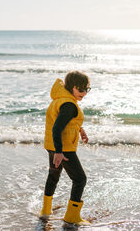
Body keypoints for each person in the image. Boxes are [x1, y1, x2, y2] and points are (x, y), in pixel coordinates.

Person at [39, 71, 91, 225]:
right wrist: (60, 152)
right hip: (64, 148)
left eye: (87, 89)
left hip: (52, 145)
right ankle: (72, 216)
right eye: (81, 89)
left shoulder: (60, 100)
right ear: (72, 87)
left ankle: (45, 211)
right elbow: (57, 128)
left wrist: (80, 130)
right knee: (80, 179)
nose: (84, 93)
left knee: (53, 175)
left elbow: (64, 122)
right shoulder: (69, 104)